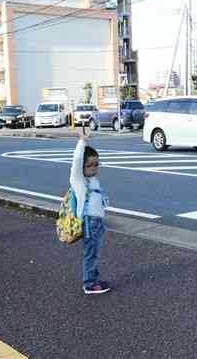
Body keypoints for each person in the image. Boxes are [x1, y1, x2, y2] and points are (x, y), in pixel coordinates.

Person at [71, 126, 111, 295]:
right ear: (82, 167)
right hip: (89, 224)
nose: (94, 168)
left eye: (97, 164)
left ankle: (94, 278)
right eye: (90, 165)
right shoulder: (79, 180)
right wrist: (82, 140)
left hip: (98, 223)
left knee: (95, 253)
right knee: (91, 254)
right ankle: (89, 284)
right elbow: (77, 160)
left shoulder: (93, 179)